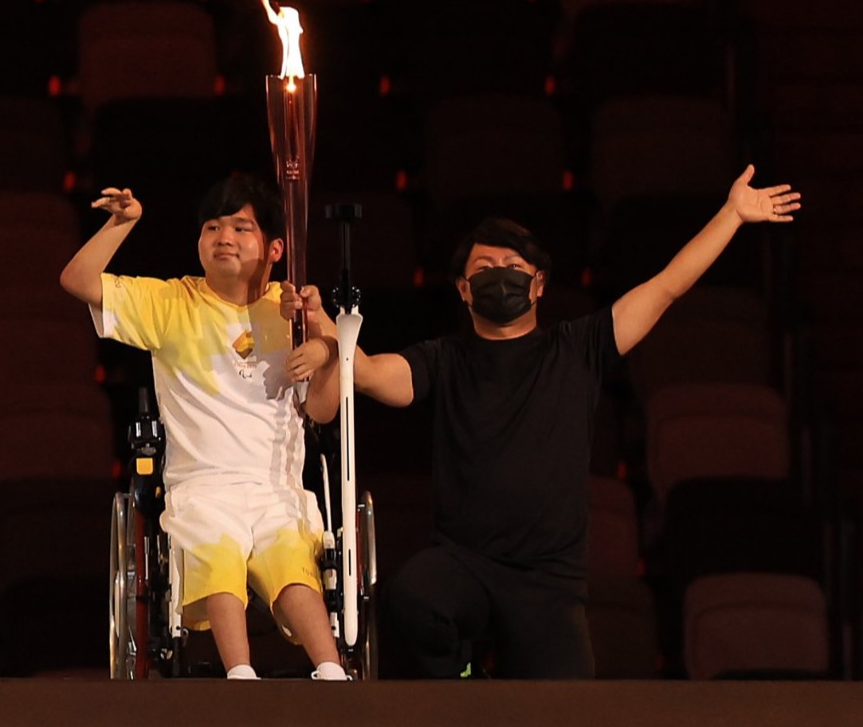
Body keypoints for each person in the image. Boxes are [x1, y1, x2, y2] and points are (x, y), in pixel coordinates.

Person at [327, 165, 800, 678]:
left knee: (566, 704)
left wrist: (732, 214)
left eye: (513, 265)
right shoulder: (444, 358)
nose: (499, 274)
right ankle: (462, 687)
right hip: (463, 565)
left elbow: (666, 287)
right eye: (484, 267)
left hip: (548, 584)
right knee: (413, 598)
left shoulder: (579, 348)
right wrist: (323, 328)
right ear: (464, 289)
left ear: (538, 285)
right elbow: (369, 372)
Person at [61, 174, 350, 679]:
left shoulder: (292, 311)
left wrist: (325, 349)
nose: (224, 238)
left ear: (274, 247)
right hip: (202, 487)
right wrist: (122, 223)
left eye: (241, 228)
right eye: (213, 227)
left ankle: (331, 671)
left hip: (273, 486)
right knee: (217, 546)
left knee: (289, 557)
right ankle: (240, 676)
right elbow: (77, 280)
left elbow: (323, 411)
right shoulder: (172, 303)